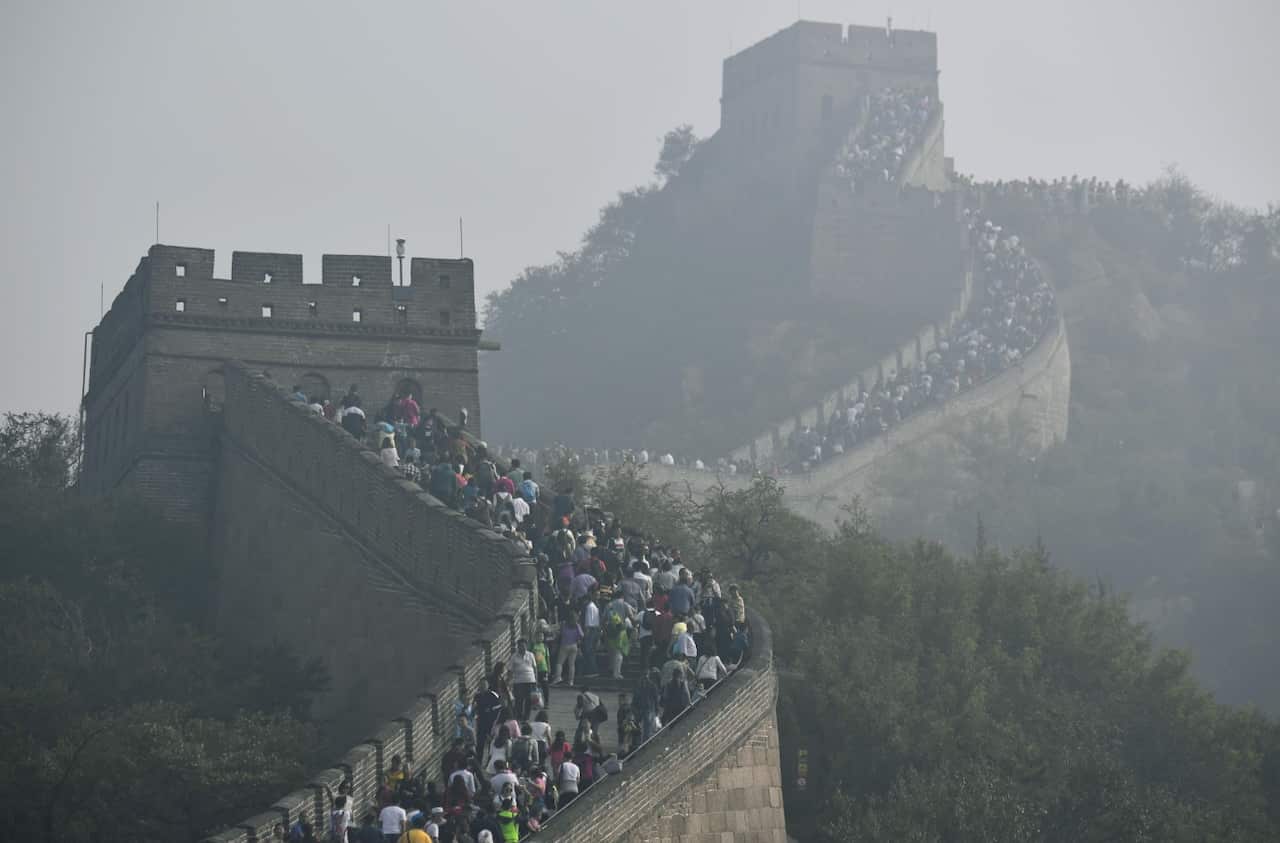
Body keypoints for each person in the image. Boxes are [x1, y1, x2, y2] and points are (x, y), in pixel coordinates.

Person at [509, 638, 538, 721]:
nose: (522, 647)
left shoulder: (531, 655)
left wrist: (536, 679)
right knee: (519, 699)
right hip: (518, 681)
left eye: (524, 646)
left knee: (529, 700)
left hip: (530, 680)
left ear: (526, 646)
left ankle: (526, 717)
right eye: (520, 646)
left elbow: (535, 668)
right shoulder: (514, 656)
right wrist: (509, 681)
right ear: (518, 646)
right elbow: (510, 670)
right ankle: (519, 716)